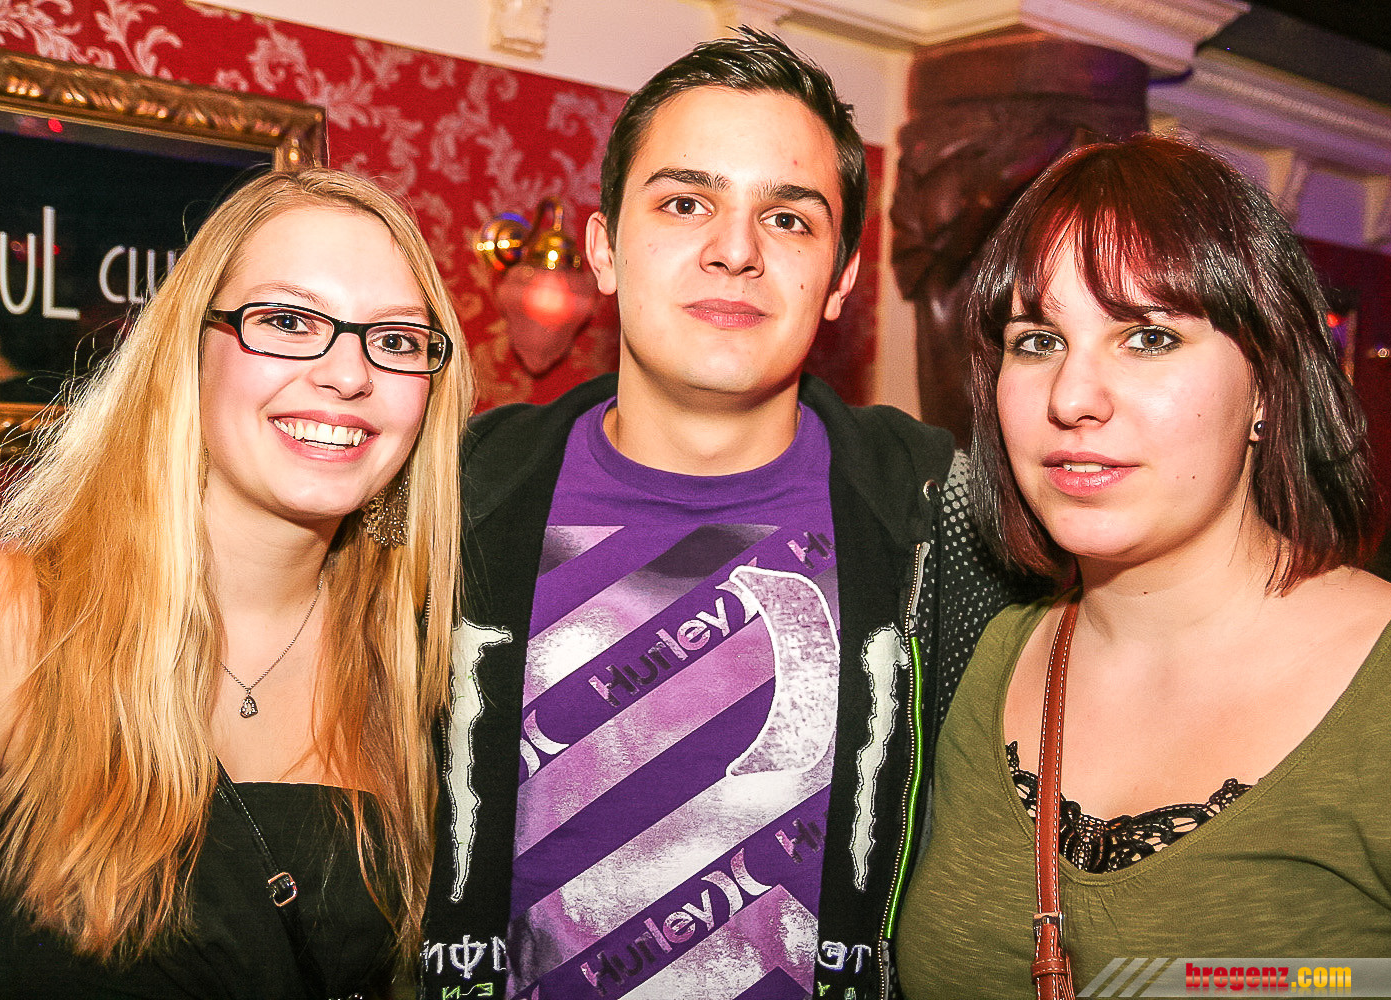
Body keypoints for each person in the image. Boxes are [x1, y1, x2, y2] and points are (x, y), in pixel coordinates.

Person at [419, 27, 1026, 1000]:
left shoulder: (947, 517)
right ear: (604, 248)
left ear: (842, 279)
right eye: (685, 202)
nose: (736, 250)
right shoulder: (448, 496)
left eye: (787, 219)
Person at [895, 135, 1391, 999]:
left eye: (1147, 337)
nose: (1071, 397)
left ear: (1268, 384)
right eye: (1038, 341)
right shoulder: (994, 660)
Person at [0, 167, 473, 997]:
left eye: (395, 340)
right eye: (287, 321)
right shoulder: (17, 615)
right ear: (190, 350)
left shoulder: (420, 662)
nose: (348, 374)